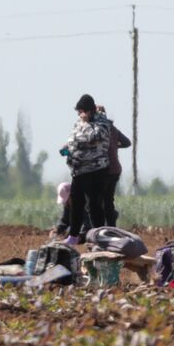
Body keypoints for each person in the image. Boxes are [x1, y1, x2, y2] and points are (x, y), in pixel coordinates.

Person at [58, 94, 111, 245]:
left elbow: (94, 137)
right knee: (76, 203)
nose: (79, 115)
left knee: (94, 204)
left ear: (88, 111)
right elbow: (74, 137)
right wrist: (67, 148)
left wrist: (86, 123)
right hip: (79, 170)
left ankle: (99, 237)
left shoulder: (102, 123)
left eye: (81, 111)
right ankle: (73, 236)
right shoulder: (79, 122)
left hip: (96, 170)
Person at [97, 104, 132, 227]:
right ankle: (111, 224)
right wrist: (116, 146)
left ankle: (107, 224)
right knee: (108, 199)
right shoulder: (112, 128)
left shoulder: (97, 130)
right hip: (115, 170)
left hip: (105, 170)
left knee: (100, 200)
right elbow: (127, 142)